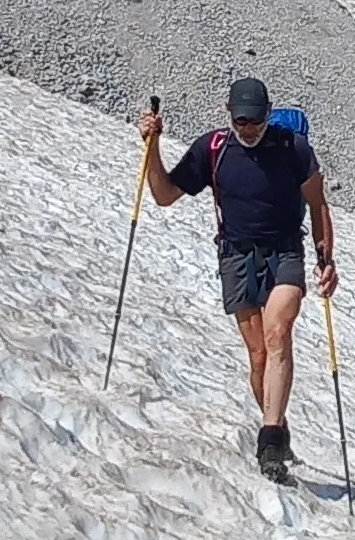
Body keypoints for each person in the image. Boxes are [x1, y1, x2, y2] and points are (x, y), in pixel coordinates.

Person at [139, 75, 338, 482]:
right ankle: (277, 425)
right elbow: (163, 195)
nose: (248, 129)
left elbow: (318, 205)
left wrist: (325, 258)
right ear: (230, 115)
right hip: (235, 256)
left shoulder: (294, 149)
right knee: (259, 357)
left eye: (256, 121)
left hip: (285, 252)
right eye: (242, 121)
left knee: (277, 332)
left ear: (268, 115)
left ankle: (268, 443)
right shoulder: (213, 149)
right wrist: (152, 145)